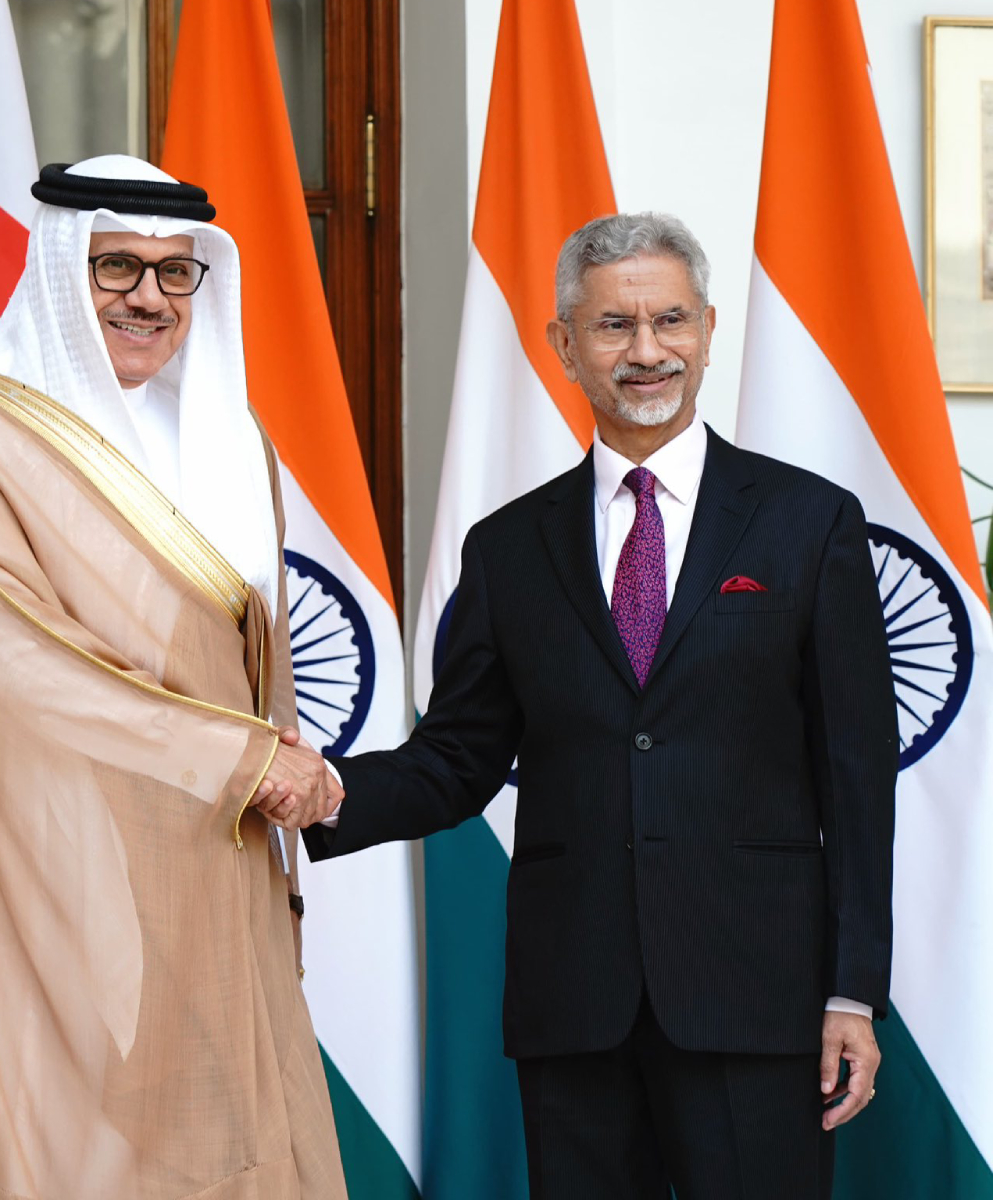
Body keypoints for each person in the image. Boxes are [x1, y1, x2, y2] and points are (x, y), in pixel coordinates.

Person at [266, 212, 897, 1199]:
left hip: (757, 994)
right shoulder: (509, 547)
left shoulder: (807, 523)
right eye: (612, 327)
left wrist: (853, 988)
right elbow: (458, 758)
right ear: (564, 345)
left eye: (668, 322)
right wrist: (323, 788)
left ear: (707, 330)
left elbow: (856, 777)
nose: (645, 352)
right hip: (576, 1001)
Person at [0, 155, 346, 1200]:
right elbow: (3, 656)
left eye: (176, 273)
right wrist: (241, 758)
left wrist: (271, 779)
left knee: (236, 1142)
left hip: (218, 855)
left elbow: (246, 664)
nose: (148, 296)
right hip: (52, 860)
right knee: (72, 1151)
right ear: (56, 268)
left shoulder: (230, 441)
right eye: (115, 266)